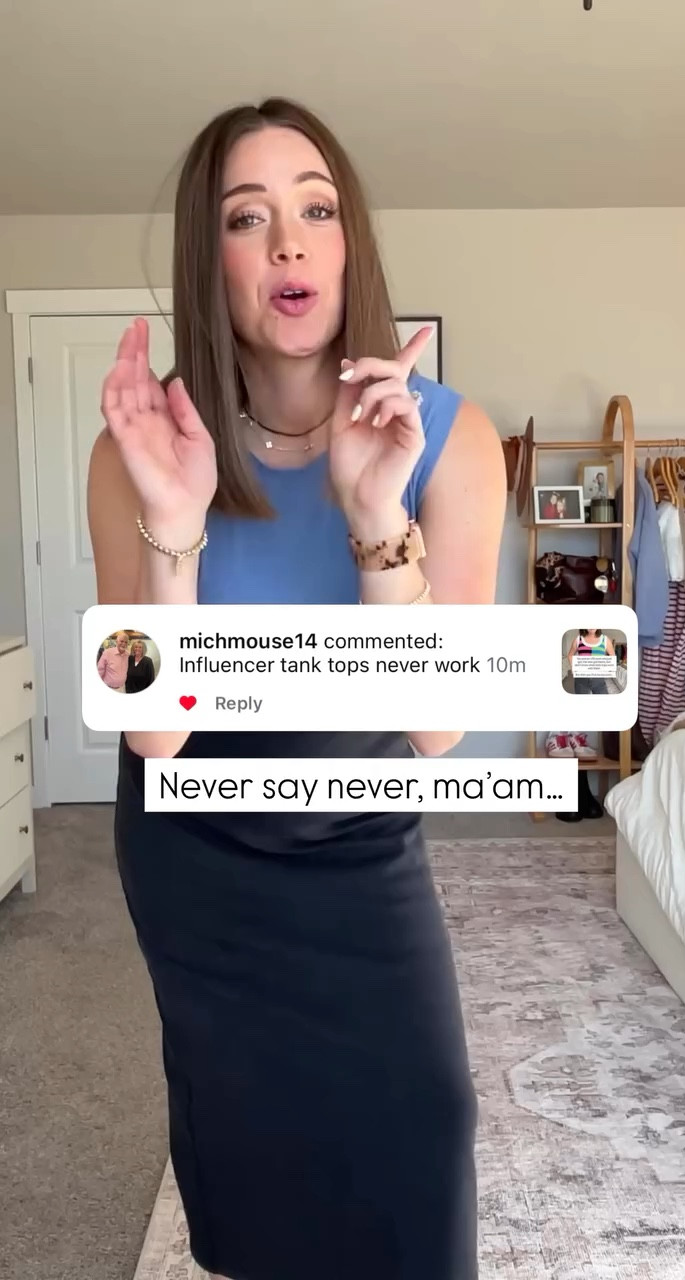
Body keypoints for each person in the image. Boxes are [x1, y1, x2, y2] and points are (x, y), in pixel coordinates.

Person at [87, 97, 506, 1280]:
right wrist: (174, 522)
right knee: (253, 1161)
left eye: (316, 209)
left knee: (425, 1124)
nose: (288, 240)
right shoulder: (140, 451)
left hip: (359, 830)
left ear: (348, 241)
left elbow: (436, 724)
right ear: (210, 256)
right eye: (246, 216)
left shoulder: (449, 438)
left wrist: (376, 514)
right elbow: (153, 735)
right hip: (199, 846)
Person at [568, 627, 615, 694]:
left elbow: (612, 655)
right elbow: (570, 655)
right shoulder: (578, 639)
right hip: (581, 679)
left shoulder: (605, 639)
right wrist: (573, 667)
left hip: (599, 679)